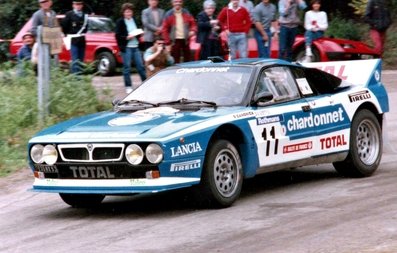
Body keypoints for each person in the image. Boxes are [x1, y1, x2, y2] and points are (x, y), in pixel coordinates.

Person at [115, 3, 147, 93]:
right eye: (127, 12)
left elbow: (136, 32)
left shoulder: (134, 20)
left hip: (135, 46)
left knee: (140, 66)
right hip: (127, 47)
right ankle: (128, 86)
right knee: (127, 67)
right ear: (123, 13)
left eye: (130, 12)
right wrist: (126, 37)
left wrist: (140, 34)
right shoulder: (120, 21)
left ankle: (145, 83)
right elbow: (117, 36)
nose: (129, 13)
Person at [61, 1, 88, 74]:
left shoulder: (85, 15)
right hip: (73, 40)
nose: (78, 6)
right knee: (75, 60)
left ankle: (80, 77)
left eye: (80, 4)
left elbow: (86, 28)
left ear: (82, 5)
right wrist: (68, 33)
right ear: (73, 5)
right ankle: (75, 77)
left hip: (82, 40)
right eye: (77, 4)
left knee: (81, 60)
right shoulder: (69, 14)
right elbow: (64, 26)